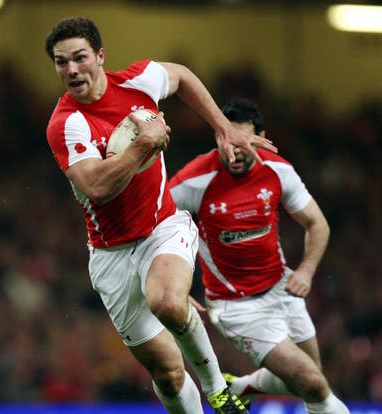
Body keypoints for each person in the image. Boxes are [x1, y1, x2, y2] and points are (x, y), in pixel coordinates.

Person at [45, 17, 277, 414]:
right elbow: (98, 188)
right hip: (110, 256)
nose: (71, 70)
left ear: (100, 57)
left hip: (162, 228)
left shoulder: (138, 82)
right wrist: (144, 144)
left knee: (168, 302)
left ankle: (219, 391)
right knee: (167, 374)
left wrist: (222, 129)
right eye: (61, 62)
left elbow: (183, 76)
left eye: (79, 58)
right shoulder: (66, 124)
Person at [169, 97, 350, 414]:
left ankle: (240, 386)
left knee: (311, 380)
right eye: (225, 137)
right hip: (235, 306)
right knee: (314, 385)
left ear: (261, 137)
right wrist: (175, 289)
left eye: (243, 140)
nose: (234, 149)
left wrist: (306, 271)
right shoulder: (192, 182)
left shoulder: (277, 170)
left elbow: (317, 224)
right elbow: (155, 232)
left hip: (283, 288)